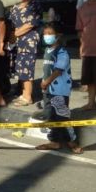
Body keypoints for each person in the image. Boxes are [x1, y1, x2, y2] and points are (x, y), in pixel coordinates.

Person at [35, 23, 82, 154]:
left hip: (60, 91)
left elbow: (58, 71)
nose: (47, 36)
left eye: (50, 34)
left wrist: (46, 82)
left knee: (62, 117)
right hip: (48, 91)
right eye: (45, 34)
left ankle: (72, 141)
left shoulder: (62, 52)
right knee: (50, 117)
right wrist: (45, 84)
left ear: (58, 35)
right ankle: (54, 142)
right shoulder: (47, 51)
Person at [9, 0, 42, 107]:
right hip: (17, 42)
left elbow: (31, 24)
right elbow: (11, 23)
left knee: (27, 69)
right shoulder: (16, 7)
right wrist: (12, 35)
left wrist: (15, 34)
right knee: (20, 69)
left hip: (29, 41)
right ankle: (23, 94)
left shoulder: (35, 5)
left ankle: (28, 96)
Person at [76, 0, 96, 110]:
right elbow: (80, 30)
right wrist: (81, 47)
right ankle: (91, 102)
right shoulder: (81, 9)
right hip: (89, 49)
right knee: (90, 80)